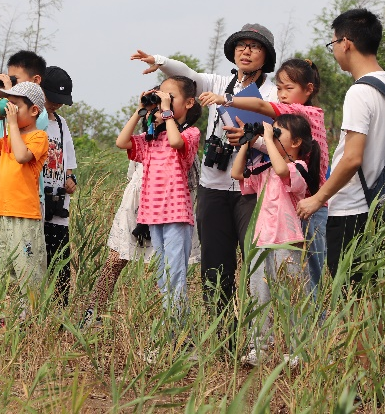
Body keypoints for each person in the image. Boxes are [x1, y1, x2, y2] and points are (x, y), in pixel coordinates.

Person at [131, 23, 278, 328]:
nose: (246, 51)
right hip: (213, 187)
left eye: (255, 46)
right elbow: (189, 75)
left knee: (256, 265)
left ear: (266, 56)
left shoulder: (272, 90)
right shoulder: (218, 82)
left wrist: (250, 138)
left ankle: (259, 340)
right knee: (214, 266)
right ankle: (222, 337)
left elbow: (281, 133)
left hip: (253, 189)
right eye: (241, 45)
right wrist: (160, 61)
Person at [199, 58, 329, 296]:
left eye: (289, 88)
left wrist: (226, 98)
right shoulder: (290, 125)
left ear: (309, 89)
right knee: (291, 281)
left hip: (311, 205)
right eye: (279, 88)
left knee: (308, 280)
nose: (282, 94)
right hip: (292, 206)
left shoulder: (307, 112)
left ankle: (314, 328)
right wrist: (251, 140)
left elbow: (261, 108)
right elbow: (280, 148)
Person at [296, 9, 385, 285]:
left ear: (346, 43)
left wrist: (318, 199)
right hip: (380, 205)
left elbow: (352, 158)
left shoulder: (360, 92)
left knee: (353, 299)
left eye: (333, 44)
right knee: (375, 296)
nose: (334, 50)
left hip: (352, 209)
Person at [231, 115, 321, 367]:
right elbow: (236, 173)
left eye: (280, 133)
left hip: (287, 241)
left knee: (291, 295)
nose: (274, 135)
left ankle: (297, 349)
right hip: (261, 241)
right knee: (259, 295)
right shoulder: (265, 168)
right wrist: (248, 144)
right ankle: (259, 348)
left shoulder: (299, 167)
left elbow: (283, 170)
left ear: (297, 142)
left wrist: (267, 138)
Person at [115, 76, 201, 330]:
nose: (165, 101)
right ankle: (172, 332)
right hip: (153, 215)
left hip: (176, 214)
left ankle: (178, 335)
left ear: (189, 103)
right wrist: (140, 111)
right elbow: (122, 142)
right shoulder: (151, 139)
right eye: (161, 95)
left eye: (171, 97)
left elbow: (176, 142)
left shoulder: (190, 133)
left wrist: (167, 113)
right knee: (163, 276)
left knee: (175, 275)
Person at [0, 82, 49, 322]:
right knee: (3, 269)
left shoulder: (39, 136)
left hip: (24, 215)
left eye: (15, 106)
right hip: (0, 213)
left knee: (28, 270)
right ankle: (7, 316)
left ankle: (31, 319)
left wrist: (13, 125)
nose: (10, 110)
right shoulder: (6, 139)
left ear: (34, 110)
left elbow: (22, 156)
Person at [39, 66, 78, 306]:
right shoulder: (30, 120)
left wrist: (71, 180)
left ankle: (60, 308)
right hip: (35, 201)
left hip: (58, 203)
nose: (56, 105)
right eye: (52, 99)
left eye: (60, 101)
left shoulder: (61, 124)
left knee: (60, 259)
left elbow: (68, 162)